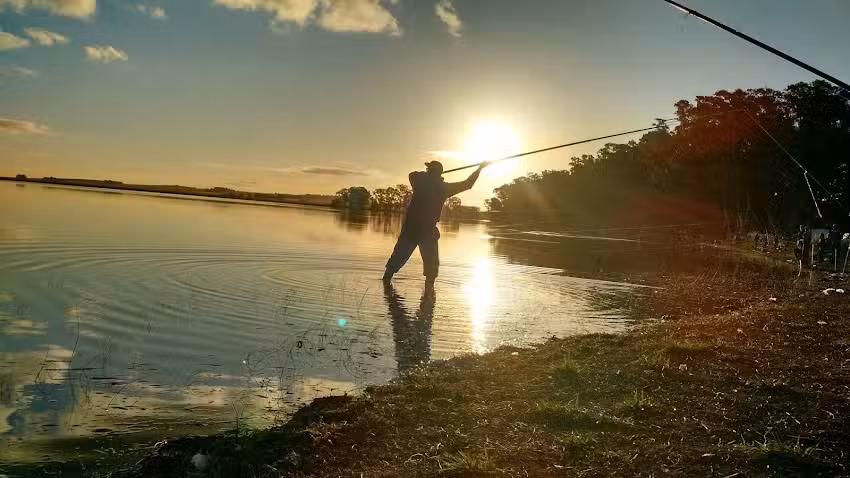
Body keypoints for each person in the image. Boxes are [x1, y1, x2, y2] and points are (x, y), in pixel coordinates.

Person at [382, 160, 487, 284]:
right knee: (430, 268)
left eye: (428, 169)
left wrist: (430, 176)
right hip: (425, 230)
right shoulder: (444, 188)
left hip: (413, 229)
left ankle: (387, 282)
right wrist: (479, 169)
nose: (426, 170)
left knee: (397, 260)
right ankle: (428, 292)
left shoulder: (419, 182)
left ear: (430, 171)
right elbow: (468, 184)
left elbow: (413, 174)